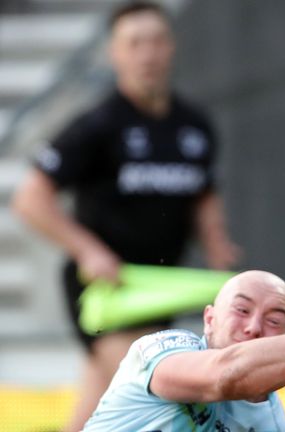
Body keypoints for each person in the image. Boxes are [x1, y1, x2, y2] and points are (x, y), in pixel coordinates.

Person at [11, 2, 239, 431]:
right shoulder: (97, 125)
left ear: (171, 47)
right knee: (154, 396)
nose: (147, 54)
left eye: (155, 41)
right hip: (106, 291)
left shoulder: (194, 125)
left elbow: (203, 191)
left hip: (161, 287)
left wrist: (215, 240)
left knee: (99, 405)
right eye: (134, 43)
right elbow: (29, 198)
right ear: (114, 54)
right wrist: (90, 251)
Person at [82, 270, 285, 431]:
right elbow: (225, 376)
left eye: (274, 321)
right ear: (210, 319)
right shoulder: (161, 349)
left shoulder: (272, 423)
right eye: (242, 310)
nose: (254, 327)